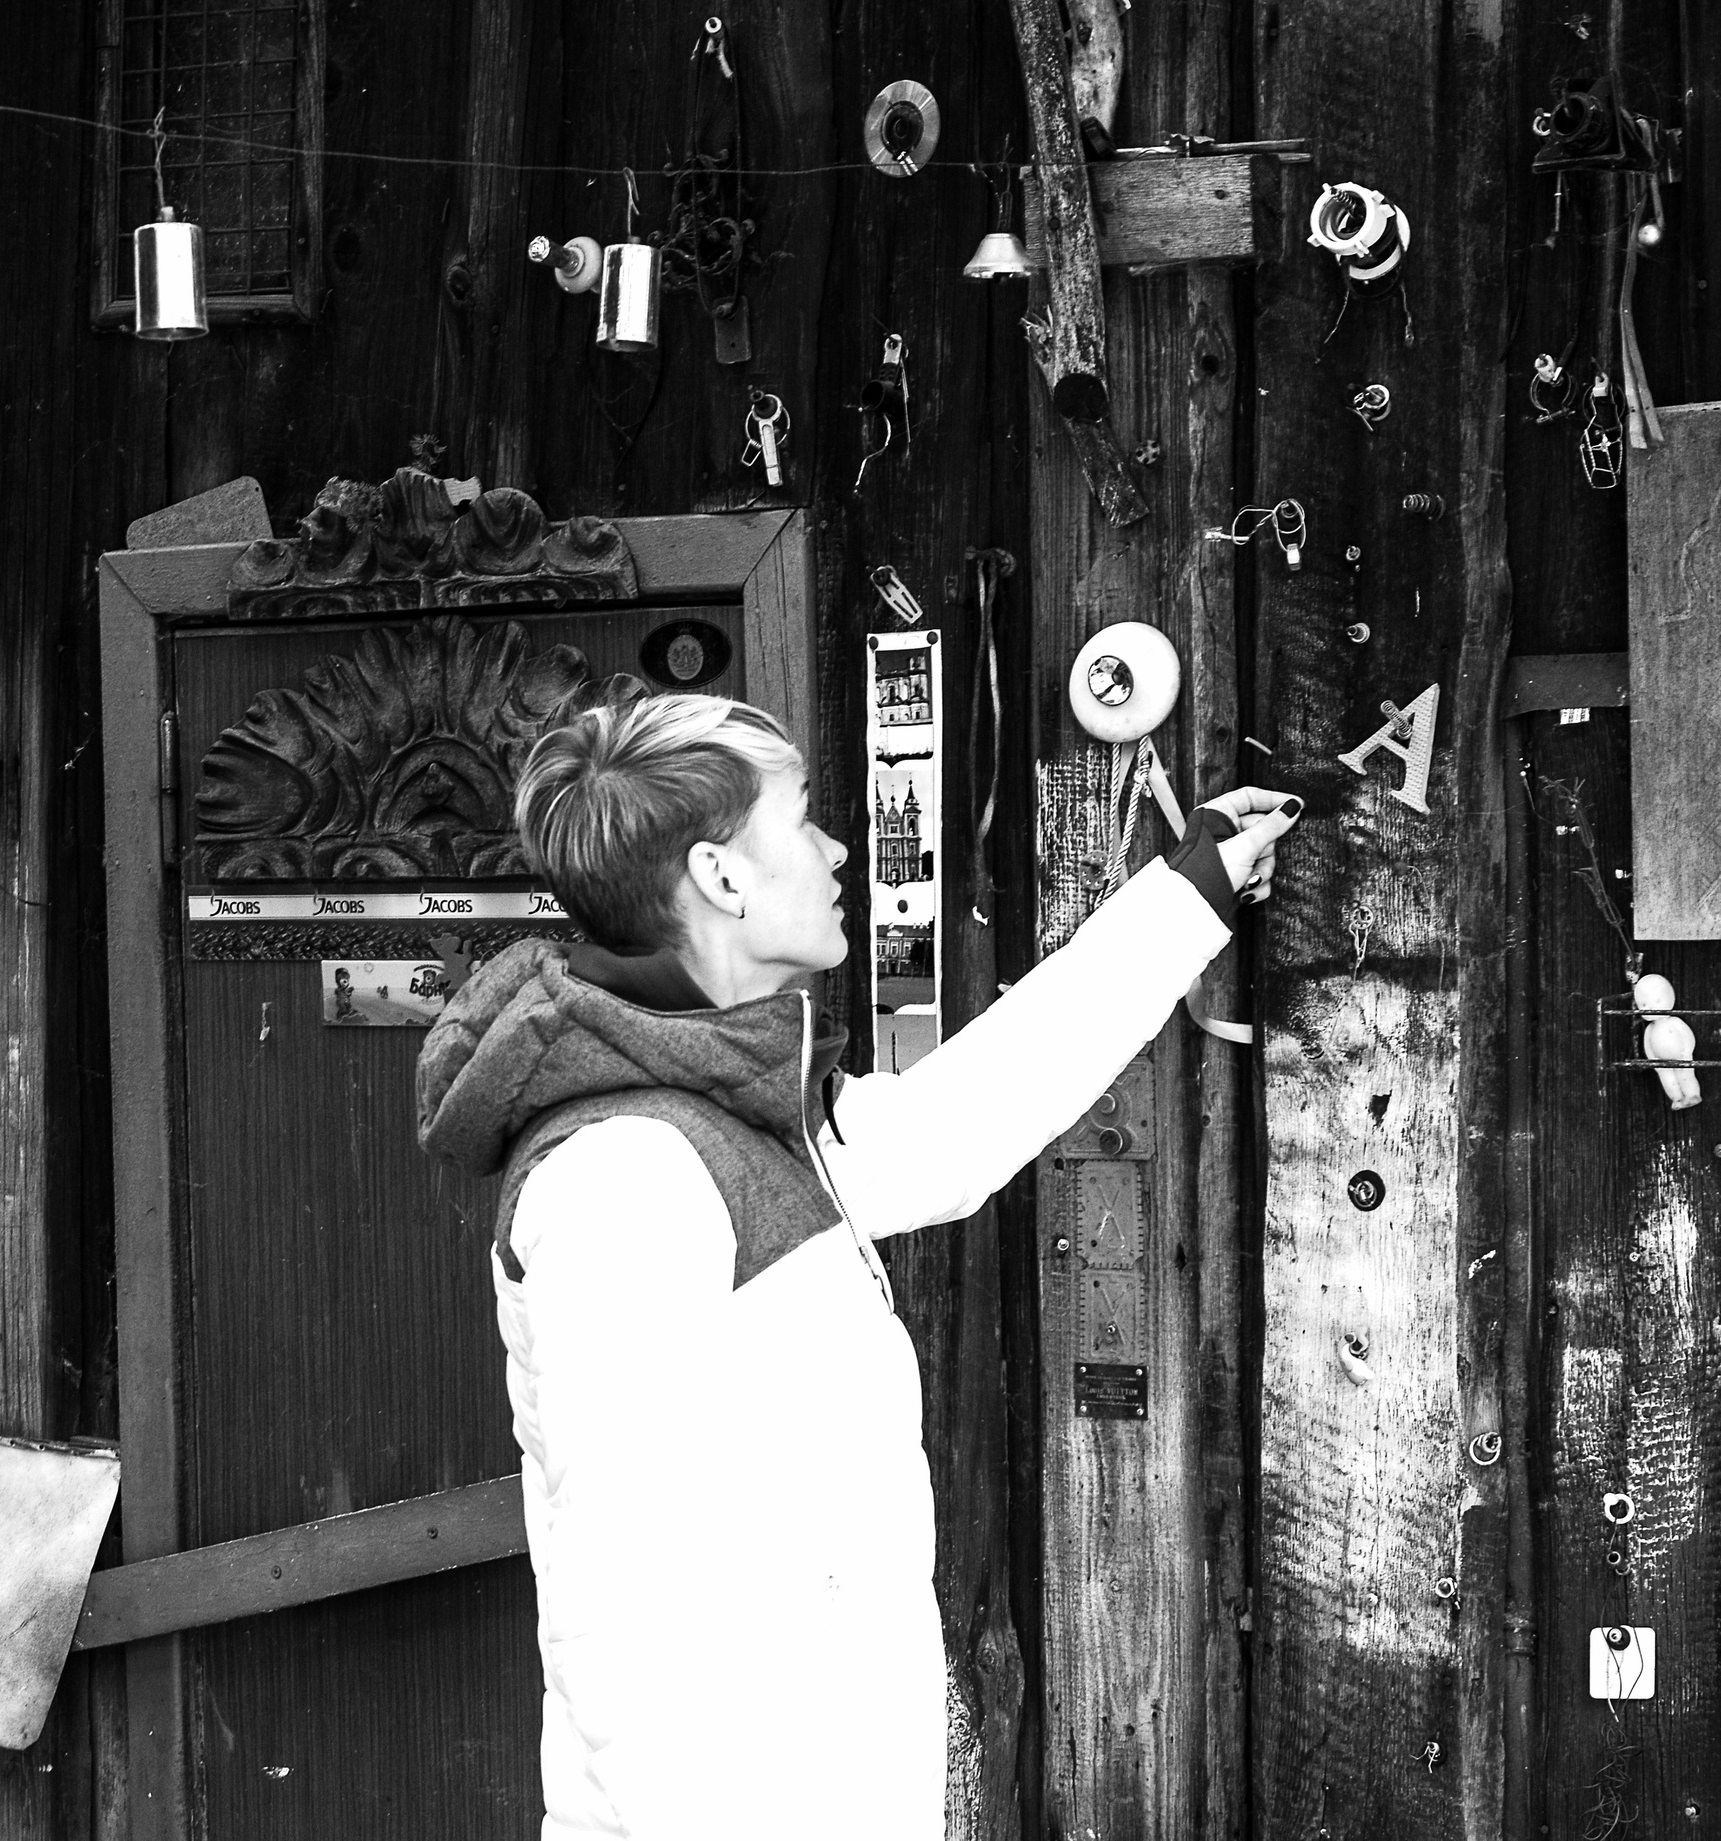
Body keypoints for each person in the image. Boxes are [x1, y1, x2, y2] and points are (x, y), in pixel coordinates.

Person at [415, 692, 1296, 1841]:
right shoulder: (624, 1173)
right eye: (803, 818)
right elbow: (629, 1617)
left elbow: (964, 1121)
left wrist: (1186, 896)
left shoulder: (733, 1117)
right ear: (724, 876)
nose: (837, 848)